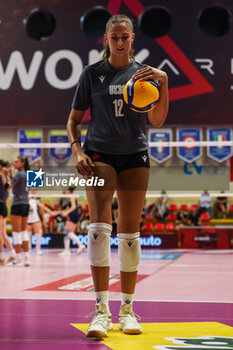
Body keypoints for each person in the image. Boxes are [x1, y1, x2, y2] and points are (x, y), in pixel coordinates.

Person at [67, 14, 168, 338]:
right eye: (115, 38)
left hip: (135, 155)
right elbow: (73, 121)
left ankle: (127, 310)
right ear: (106, 40)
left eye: (125, 37)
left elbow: (158, 121)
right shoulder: (91, 74)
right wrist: (78, 151)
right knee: (98, 228)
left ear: (133, 38)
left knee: (129, 233)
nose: (120, 42)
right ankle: (100, 312)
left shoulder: (145, 75)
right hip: (99, 154)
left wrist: (163, 82)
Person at [7, 157, 31, 266]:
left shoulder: (19, 174)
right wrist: (10, 175)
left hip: (17, 204)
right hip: (26, 204)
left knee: (16, 233)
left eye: (16, 162)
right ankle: (27, 258)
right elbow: (17, 184)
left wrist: (4, 176)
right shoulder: (26, 174)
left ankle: (18, 259)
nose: (14, 163)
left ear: (22, 163)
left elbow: (8, 187)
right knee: (23, 232)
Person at [59, 186, 85, 255]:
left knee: (67, 232)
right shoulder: (69, 199)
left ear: (69, 192)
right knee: (69, 232)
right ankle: (67, 250)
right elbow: (69, 207)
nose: (65, 193)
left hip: (73, 215)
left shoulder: (71, 197)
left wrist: (66, 213)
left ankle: (80, 245)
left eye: (66, 191)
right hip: (74, 215)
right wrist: (64, 212)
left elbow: (74, 207)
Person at [0, 161, 16, 265]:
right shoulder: (5, 177)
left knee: (2, 233)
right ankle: (2, 257)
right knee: (1, 233)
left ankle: (13, 255)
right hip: (3, 206)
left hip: (1, 206)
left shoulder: (2, 176)